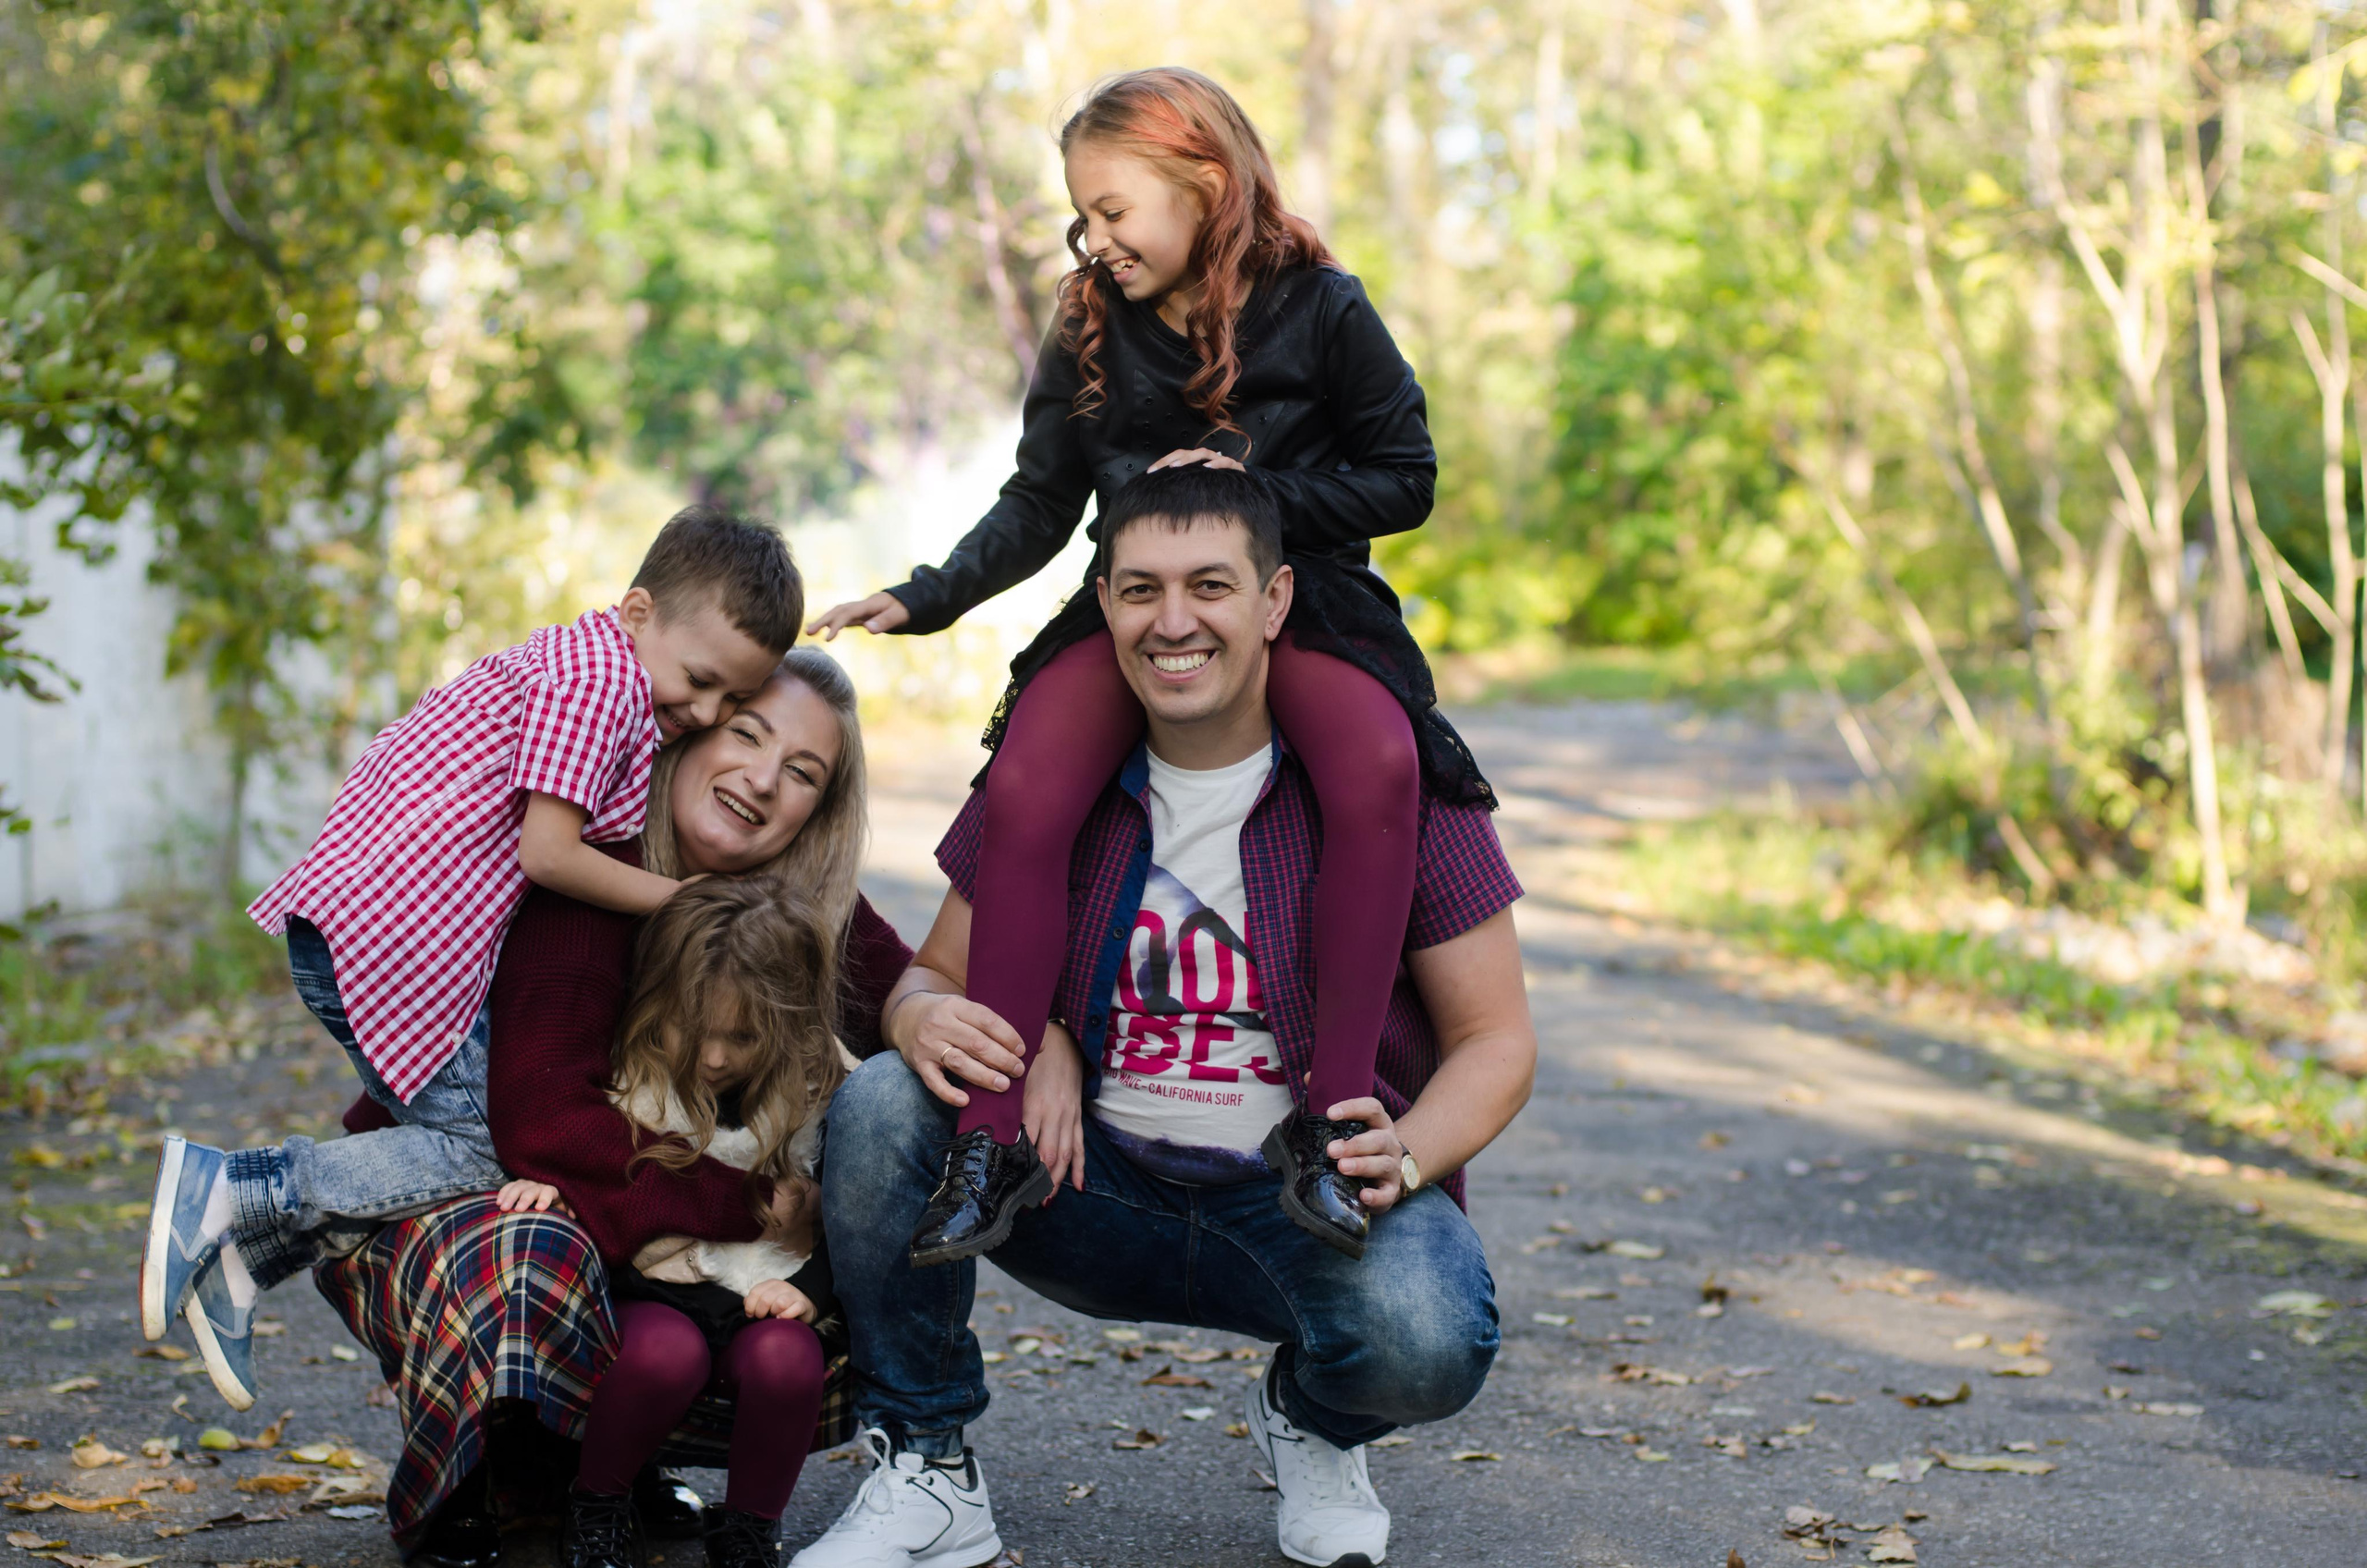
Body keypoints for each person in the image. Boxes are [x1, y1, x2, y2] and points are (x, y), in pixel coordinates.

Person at [805, 68, 1493, 1269]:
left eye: (1114, 210)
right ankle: (988, 1139)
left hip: (1297, 595)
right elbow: (1039, 500)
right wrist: (928, 593)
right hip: (1129, 605)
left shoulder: (1322, 306)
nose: (1096, 239)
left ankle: (1329, 1126)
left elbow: (1407, 477)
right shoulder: (1088, 319)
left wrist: (1249, 496)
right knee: (1026, 781)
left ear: (1205, 185)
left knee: (1379, 763)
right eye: (1083, 215)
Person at [794, 466, 1535, 1568]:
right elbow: (929, 980)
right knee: (883, 1105)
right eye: (1140, 589)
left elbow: (1497, 1040)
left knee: (1428, 1333)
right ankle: (927, 1464)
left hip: (1298, 1208)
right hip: (1087, 1187)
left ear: (1275, 600)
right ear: (1104, 603)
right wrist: (973, 1030)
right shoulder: (1051, 777)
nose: (1172, 620)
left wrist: (1411, 1150)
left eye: (1209, 586)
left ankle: (1316, 1423)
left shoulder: (1393, 782)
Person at [142, 507, 804, 1410]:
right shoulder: (602, 685)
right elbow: (549, 854)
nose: (705, 713)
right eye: (699, 681)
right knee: (496, 1144)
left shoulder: (577, 662)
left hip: (380, 924)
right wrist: (681, 900)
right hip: (393, 935)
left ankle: (245, 1257)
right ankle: (239, 1188)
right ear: (638, 610)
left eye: (731, 699)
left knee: (486, 1135)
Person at [314, 651, 911, 1568]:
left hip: (657, 1225)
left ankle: (627, 1466)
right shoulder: (597, 866)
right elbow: (544, 1129)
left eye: (801, 772)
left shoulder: (798, 905)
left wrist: (951, 1026)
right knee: (537, 1235)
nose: (762, 780)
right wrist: (766, 1205)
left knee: (880, 1150)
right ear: (689, 730)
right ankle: (479, 1470)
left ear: (818, 810)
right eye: (746, 733)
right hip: (453, 1193)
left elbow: (909, 995)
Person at [497, 879, 849, 1568]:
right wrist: (554, 1185)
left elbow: (853, 1215)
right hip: (653, 1286)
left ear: (788, 1022)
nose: (714, 1058)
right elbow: (594, 1161)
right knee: (665, 1356)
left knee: (788, 1361)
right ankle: (598, 1506)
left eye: (742, 1037)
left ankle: (748, 1531)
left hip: (764, 1283)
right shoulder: (633, 1077)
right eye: (696, 1030)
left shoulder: (819, 1090)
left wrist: (812, 1288)